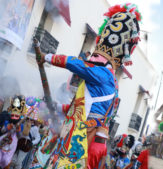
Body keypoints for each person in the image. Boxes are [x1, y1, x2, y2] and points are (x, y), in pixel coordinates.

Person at [37, 3, 142, 169]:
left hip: (83, 140)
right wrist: (57, 106)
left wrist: (47, 57)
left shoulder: (105, 75)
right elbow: (78, 107)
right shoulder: (108, 80)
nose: (92, 59)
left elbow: (77, 64)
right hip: (82, 137)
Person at [0, 95, 26, 169]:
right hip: (2, 142)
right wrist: (7, 127)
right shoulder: (7, 121)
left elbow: (20, 136)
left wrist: (18, 131)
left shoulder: (21, 125)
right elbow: (2, 130)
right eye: (13, 115)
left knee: (6, 161)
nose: (14, 117)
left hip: (11, 145)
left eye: (16, 116)